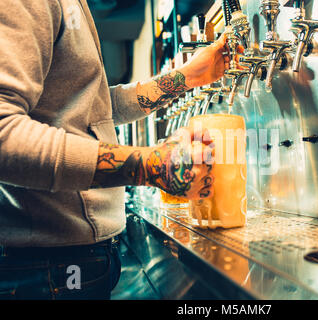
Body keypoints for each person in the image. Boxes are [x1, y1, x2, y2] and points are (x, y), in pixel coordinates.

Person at [0, 0, 232, 299]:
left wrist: (186, 77)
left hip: (71, 259)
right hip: (45, 267)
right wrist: (150, 165)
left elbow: (88, 107)